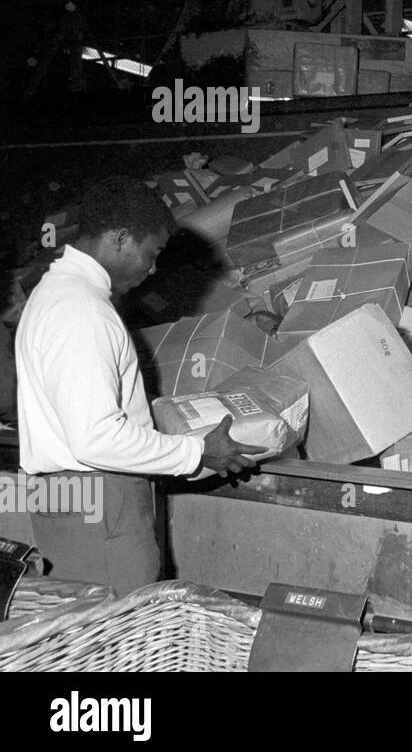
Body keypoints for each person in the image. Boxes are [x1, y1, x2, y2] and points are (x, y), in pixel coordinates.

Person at [15, 176, 265, 594]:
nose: (151, 269)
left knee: (84, 638)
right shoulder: (82, 311)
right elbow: (95, 438)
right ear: (121, 238)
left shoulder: (54, 295)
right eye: (151, 253)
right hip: (103, 505)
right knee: (118, 637)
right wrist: (198, 451)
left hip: (70, 503)